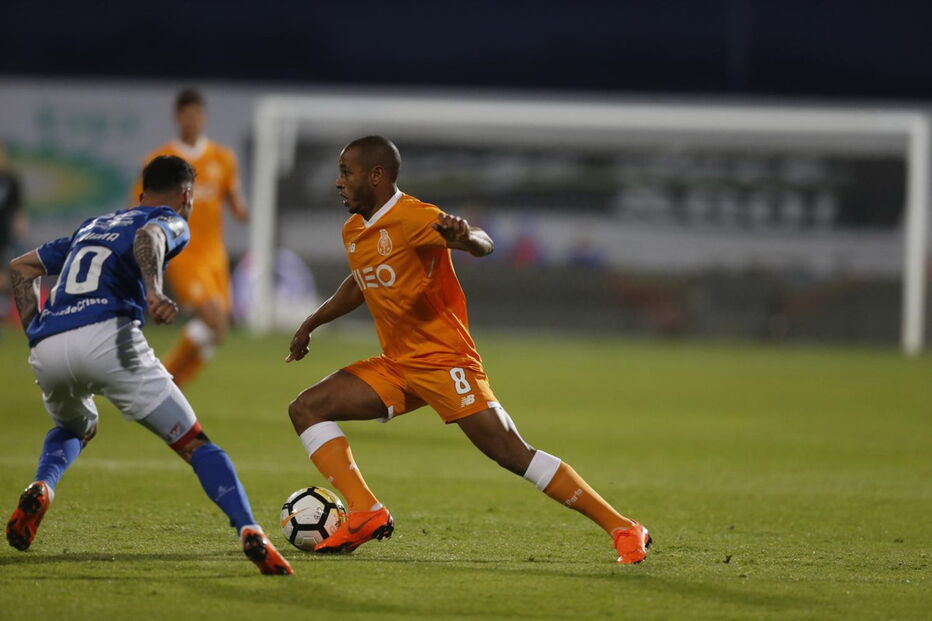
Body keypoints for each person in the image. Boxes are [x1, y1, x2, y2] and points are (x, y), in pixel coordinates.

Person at [285, 136, 652, 564]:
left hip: (445, 361)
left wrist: (468, 236)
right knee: (306, 408)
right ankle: (365, 511)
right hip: (398, 365)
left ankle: (624, 528)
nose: (338, 181)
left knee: (512, 453)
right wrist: (312, 323)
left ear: (377, 176)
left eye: (347, 172)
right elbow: (360, 282)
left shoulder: (414, 218)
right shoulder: (353, 229)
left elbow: (481, 242)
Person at [6, 156, 292, 576]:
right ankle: (248, 527)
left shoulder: (93, 226)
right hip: (110, 339)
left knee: (75, 426)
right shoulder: (169, 218)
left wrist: (37, 333)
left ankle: (43, 485)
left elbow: (22, 267)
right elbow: (148, 237)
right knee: (197, 445)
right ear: (187, 195)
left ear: (139, 193)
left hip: (49, 347)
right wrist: (155, 291)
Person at [133, 88, 247, 387]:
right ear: (177, 119)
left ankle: (170, 384)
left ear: (203, 118)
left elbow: (233, 197)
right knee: (214, 321)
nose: (191, 122)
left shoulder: (223, 159)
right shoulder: (160, 161)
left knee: (218, 332)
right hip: (183, 252)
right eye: (186, 117)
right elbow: (140, 206)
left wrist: (243, 210)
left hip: (214, 254)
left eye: (196, 116)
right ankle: (162, 377)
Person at [0, 139, 26, 324]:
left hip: (3, 235)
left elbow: (17, 208)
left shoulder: (11, 180)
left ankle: (3, 315)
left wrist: (19, 224)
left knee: (3, 276)